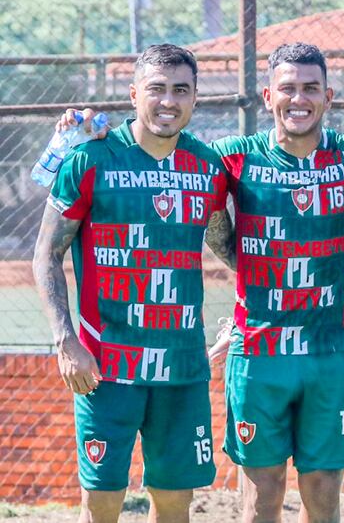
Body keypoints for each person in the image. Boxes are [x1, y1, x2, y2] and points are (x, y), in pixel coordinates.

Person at [63, 41, 344, 522]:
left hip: (328, 351)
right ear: (268, 96)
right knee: (262, 496)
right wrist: (86, 128)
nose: (299, 99)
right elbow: (170, 164)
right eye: (288, 88)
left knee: (324, 495)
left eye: (311, 88)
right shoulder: (229, 158)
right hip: (258, 354)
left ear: (329, 97)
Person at [33, 44, 234, 523]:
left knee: (175, 502)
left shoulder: (207, 168)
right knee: (102, 502)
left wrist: (249, 318)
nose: (168, 101)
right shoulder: (90, 158)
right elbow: (46, 254)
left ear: (195, 98)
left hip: (182, 369)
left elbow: (233, 250)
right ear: (133, 94)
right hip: (105, 367)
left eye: (180, 90)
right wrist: (66, 341)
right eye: (156, 89)